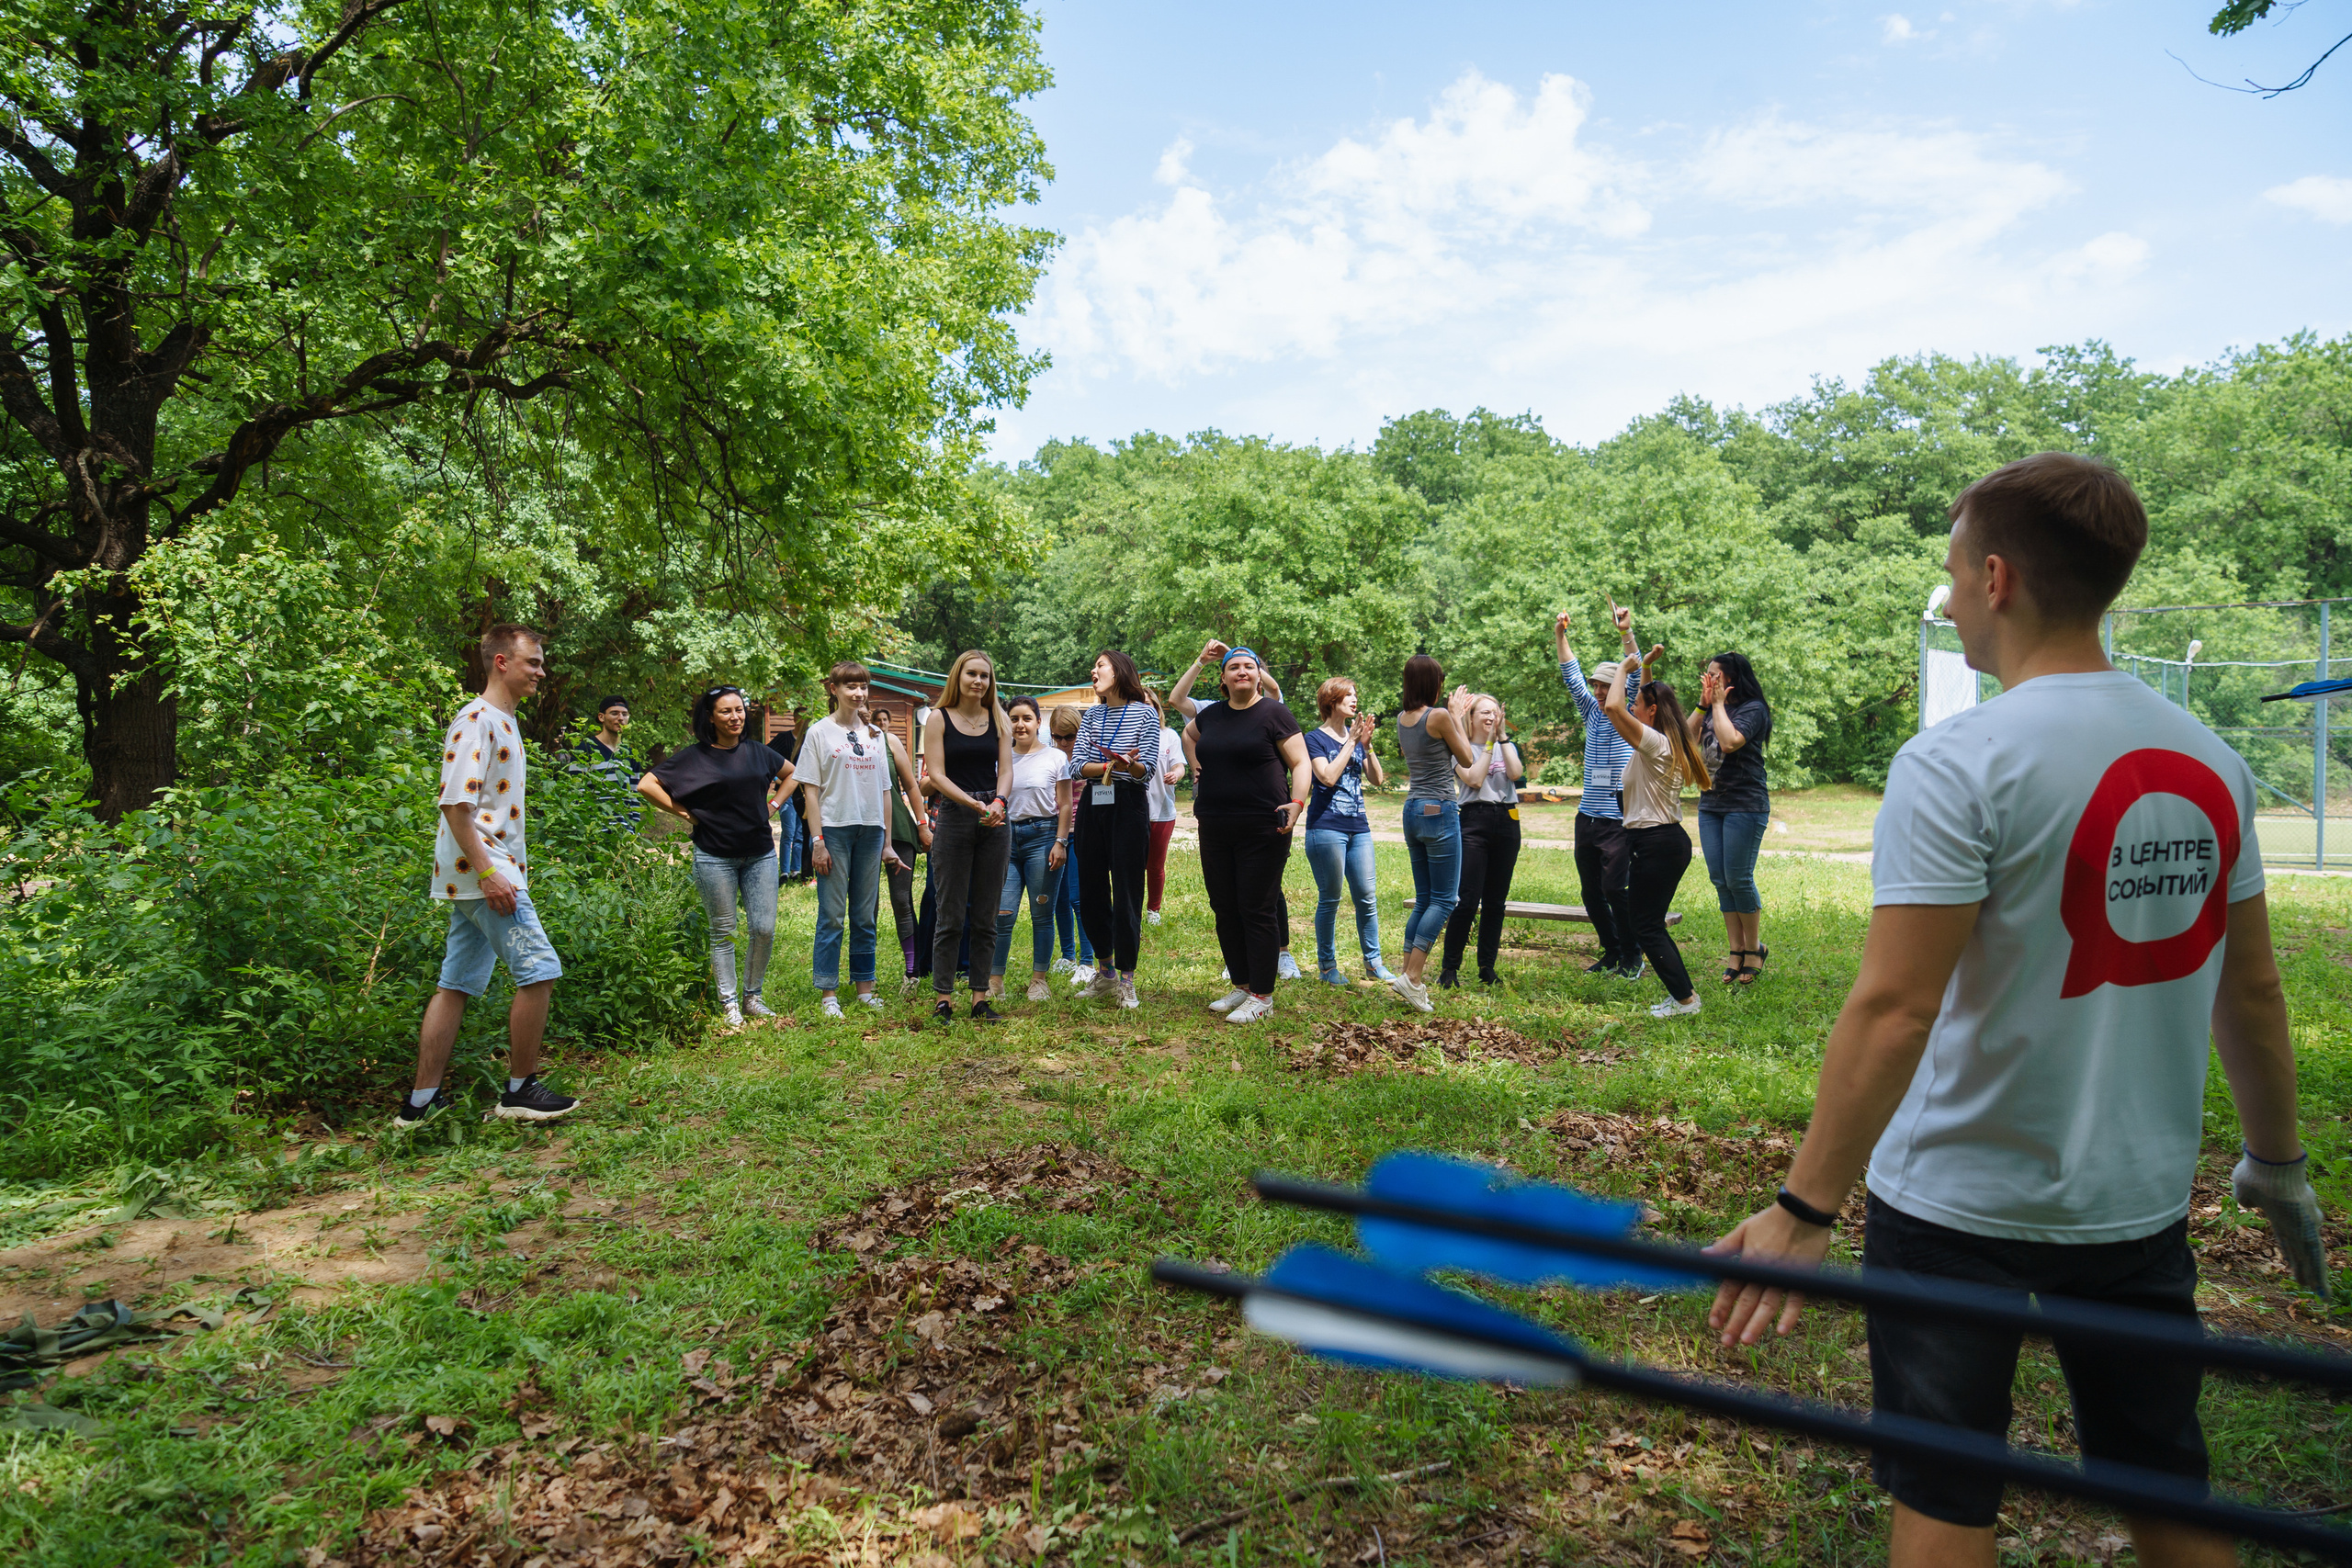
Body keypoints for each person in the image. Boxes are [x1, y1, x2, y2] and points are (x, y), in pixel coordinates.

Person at [1704, 453, 2327, 1568]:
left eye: (1950, 569)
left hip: (1954, 1203)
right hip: (2134, 1202)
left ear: (1994, 578)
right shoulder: (2212, 760)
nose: (1945, 596)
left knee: (1946, 1501)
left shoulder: (1959, 759)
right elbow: (2253, 989)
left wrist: (1805, 1206)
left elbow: (1895, 1005)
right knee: (2167, 1490)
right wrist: (2276, 1164)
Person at [396, 624, 582, 1126]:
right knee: (540, 970)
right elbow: (456, 806)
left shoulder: (503, 720)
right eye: (533, 663)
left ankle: (420, 1104)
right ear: (502, 662)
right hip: (487, 876)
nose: (541, 672)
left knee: (455, 983)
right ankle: (520, 1091)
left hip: (478, 876)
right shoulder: (476, 719)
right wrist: (490, 874)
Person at [638, 684, 797, 1026]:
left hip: (760, 855)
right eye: (726, 711)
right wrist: (684, 814)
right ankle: (730, 1005)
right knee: (723, 931)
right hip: (714, 856)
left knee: (764, 928)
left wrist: (773, 805)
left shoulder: (757, 752)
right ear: (710, 717)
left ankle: (753, 997)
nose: (735, 716)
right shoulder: (694, 756)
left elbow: (793, 774)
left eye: (739, 710)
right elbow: (647, 785)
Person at [1186, 646, 1309, 1023]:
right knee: (1224, 907)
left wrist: (1298, 802)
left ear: (1259, 675)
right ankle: (1241, 986)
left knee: (1256, 908)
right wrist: (1195, 766)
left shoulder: (1274, 713)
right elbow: (1189, 736)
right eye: (1233, 667)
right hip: (1215, 825)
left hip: (1263, 826)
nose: (1241, 671)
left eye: (1248, 666)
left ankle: (1263, 995)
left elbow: (1301, 761)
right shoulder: (1211, 715)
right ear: (1222, 678)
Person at [1599, 604, 1709, 1018]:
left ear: (1648, 714)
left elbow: (1613, 708)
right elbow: (1644, 695)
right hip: (1660, 840)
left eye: (1639, 704)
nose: (1632, 704)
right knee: (1647, 920)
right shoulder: (1665, 740)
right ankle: (1682, 997)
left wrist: (1623, 670)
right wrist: (1631, 643)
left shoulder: (1656, 744)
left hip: (1656, 841)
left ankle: (1685, 1000)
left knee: (1646, 924)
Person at [797, 665, 904, 1019]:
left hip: (871, 831)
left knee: (864, 916)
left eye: (862, 687)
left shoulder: (875, 735)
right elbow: (810, 792)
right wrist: (818, 840)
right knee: (832, 915)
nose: (858, 693)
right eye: (850, 686)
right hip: (835, 829)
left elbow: (886, 791)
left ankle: (865, 988)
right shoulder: (819, 732)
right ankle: (829, 993)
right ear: (834, 689)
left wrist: (888, 841)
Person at [922, 650, 1014, 1025]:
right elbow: (937, 776)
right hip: (956, 816)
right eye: (972, 674)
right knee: (951, 912)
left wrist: (999, 801)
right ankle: (944, 997)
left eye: (985, 676)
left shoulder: (999, 717)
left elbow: (1006, 770)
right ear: (958, 677)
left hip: (995, 817)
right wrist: (973, 804)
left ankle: (980, 997)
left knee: (986, 913)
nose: (979, 682)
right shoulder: (937, 718)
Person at [1068, 650, 1161, 1007]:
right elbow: (1077, 766)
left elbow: (1146, 769)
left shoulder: (1145, 713)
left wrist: (1129, 765)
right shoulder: (1090, 715)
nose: (1093, 671)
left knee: (1126, 891)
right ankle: (1105, 972)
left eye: (1100, 666)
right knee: (1090, 891)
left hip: (1129, 805)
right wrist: (1110, 763)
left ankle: (1127, 979)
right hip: (1095, 802)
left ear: (1119, 671)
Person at [1555, 610, 1640, 977]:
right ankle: (1611, 951)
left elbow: (1634, 672)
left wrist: (1626, 633)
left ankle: (1632, 954)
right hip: (1586, 818)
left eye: (1607, 685)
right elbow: (1571, 675)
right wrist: (1560, 634)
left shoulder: (1627, 713)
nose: (1601, 691)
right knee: (1591, 893)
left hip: (1618, 821)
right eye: (1598, 685)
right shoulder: (1592, 711)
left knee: (1614, 889)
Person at [1389, 654, 1476, 1012]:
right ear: (1433, 683)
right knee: (1445, 900)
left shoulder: (1402, 718)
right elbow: (1468, 759)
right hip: (1439, 809)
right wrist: (1456, 714)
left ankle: (1408, 975)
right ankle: (1412, 978)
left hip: (1412, 810)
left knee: (1424, 898)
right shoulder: (1437, 716)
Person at [1302, 676, 1394, 987]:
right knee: (1331, 898)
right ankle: (1327, 967)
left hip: (1359, 828)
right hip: (1326, 827)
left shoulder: (1355, 738)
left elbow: (1378, 779)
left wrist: (1366, 747)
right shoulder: (1314, 738)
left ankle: (1374, 963)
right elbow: (1326, 777)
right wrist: (1352, 742)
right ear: (1331, 701)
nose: (1354, 699)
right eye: (1348, 695)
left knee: (1367, 898)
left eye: (1356, 694)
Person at [1690, 651, 1774, 986]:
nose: (1708, 679)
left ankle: (1754, 949)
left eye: (1715, 676)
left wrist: (1719, 705)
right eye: (1706, 675)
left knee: (1738, 878)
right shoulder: (1710, 707)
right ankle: (1736, 950)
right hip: (1711, 804)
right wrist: (1702, 704)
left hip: (1746, 805)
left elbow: (1729, 743)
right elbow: (1682, 739)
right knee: (1720, 878)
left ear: (1730, 679)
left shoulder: (1753, 709)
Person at [1439, 692, 1524, 988]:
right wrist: (1488, 744)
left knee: (1495, 902)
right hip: (1474, 822)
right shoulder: (1460, 748)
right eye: (1483, 713)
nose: (1490, 717)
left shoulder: (1503, 745)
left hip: (1508, 821)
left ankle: (1487, 966)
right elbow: (1473, 780)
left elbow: (1516, 773)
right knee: (1466, 900)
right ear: (1470, 717)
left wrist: (1501, 738)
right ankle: (1450, 968)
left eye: (1494, 712)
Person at [992, 695, 1072, 1002]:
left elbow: (1064, 805)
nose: (1020, 724)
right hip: (1006, 840)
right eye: (1014, 718)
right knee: (1002, 913)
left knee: (1042, 912)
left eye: (1027, 718)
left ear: (1039, 722)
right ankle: (995, 980)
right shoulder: (1001, 758)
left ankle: (1039, 980)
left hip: (1043, 837)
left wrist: (1060, 842)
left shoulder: (1055, 758)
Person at [870, 704, 929, 987]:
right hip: (859, 830)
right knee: (865, 904)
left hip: (900, 831)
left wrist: (922, 824)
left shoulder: (888, 740)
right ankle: (864, 975)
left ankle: (912, 972)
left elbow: (912, 785)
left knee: (901, 901)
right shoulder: (833, 739)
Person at [1047, 703, 1097, 981]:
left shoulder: (1087, 757)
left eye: (1070, 736)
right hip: (1056, 835)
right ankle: (1067, 955)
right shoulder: (1051, 757)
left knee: (1080, 898)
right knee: (1059, 899)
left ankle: (1087, 961)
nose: (1064, 742)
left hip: (1082, 832)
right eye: (1058, 737)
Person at [1144, 691, 1184, 926]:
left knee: (1155, 865)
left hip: (1162, 811)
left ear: (1158, 709)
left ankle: (1153, 910)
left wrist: (1176, 774)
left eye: (1151, 705)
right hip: (1133, 812)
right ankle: (1129, 907)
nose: (1147, 710)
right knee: (1130, 865)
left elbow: (1179, 765)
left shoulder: (1169, 736)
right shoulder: (1130, 735)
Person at [573, 695, 643, 829]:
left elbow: (634, 798)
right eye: (614, 713)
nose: (620, 718)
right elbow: (575, 794)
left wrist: (635, 832)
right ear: (601, 717)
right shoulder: (585, 748)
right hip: (594, 833)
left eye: (624, 714)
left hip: (623, 835)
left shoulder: (630, 754)